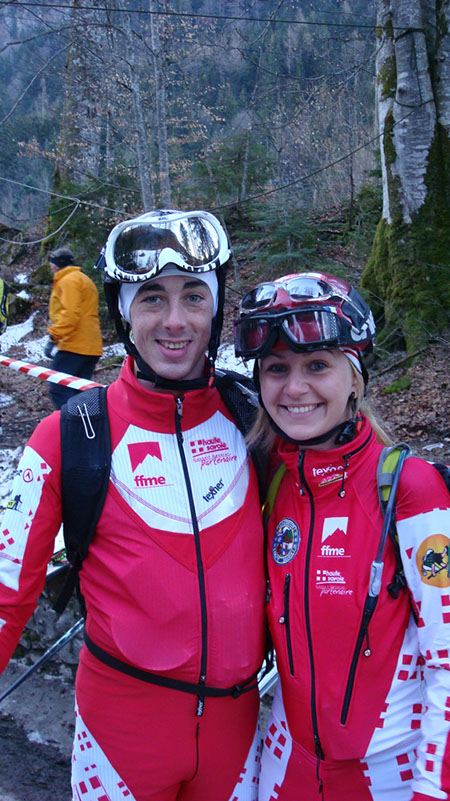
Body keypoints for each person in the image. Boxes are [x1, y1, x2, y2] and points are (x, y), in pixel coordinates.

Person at [0, 210, 266, 801]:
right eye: (151, 299)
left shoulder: (254, 419)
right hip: (121, 733)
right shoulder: (67, 437)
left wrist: (413, 487)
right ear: (123, 313)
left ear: (215, 308)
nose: (175, 320)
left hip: (237, 732)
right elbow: (6, 593)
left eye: (193, 296)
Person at [234, 271, 450, 801]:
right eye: (277, 368)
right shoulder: (269, 477)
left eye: (317, 366)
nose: (294, 388)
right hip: (284, 764)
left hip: (391, 774)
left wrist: (434, 784)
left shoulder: (409, 488)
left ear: (355, 378)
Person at [45, 247, 103, 408]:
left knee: (59, 389)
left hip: (74, 345)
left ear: (57, 264)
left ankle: (68, 422)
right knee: (80, 392)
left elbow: (71, 314)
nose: (50, 266)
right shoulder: (84, 279)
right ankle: (85, 422)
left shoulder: (68, 280)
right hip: (91, 346)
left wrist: (53, 336)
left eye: (51, 262)